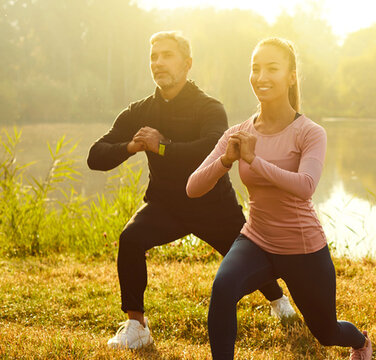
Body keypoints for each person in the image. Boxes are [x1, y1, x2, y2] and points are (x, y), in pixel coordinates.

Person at [87, 31, 294, 350]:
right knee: (131, 239)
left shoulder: (208, 107)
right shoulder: (140, 110)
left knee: (249, 259)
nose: (158, 63)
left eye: (167, 55)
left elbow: (211, 147)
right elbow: (95, 156)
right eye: (153, 56)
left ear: (187, 64)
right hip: (165, 206)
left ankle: (279, 300)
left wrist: (163, 147)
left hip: (214, 207)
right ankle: (136, 325)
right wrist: (131, 146)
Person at [187, 37, 372, 360]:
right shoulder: (239, 132)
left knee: (326, 332)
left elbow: (306, 186)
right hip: (256, 240)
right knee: (223, 289)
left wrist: (254, 160)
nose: (261, 77)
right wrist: (227, 160)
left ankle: (360, 341)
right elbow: (193, 187)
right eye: (255, 69)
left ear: (291, 75)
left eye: (272, 68)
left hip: (303, 248)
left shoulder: (310, 132)